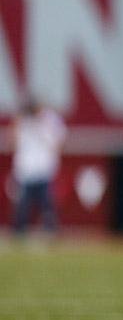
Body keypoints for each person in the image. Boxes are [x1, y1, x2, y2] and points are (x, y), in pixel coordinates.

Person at [10, 97, 65, 236]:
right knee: (23, 204)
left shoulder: (50, 119)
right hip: (26, 169)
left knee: (46, 203)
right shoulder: (23, 120)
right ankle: (19, 231)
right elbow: (14, 140)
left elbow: (59, 141)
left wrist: (42, 124)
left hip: (43, 168)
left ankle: (51, 230)